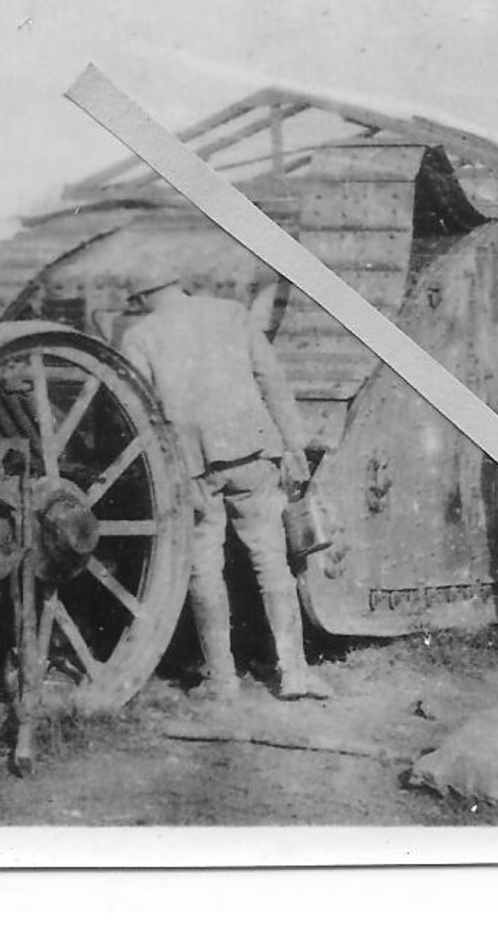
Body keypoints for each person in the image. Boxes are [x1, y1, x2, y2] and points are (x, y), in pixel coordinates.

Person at [119, 276, 332, 700]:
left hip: (193, 467)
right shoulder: (231, 315)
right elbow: (271, 381)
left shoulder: (139, 336)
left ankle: (222, 679)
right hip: (253, 453)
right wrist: (293, 447)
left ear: (143, 295)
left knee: (204, 568)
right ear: (181, 283)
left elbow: (138, 414)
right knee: (272, 560)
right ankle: (294, 673)